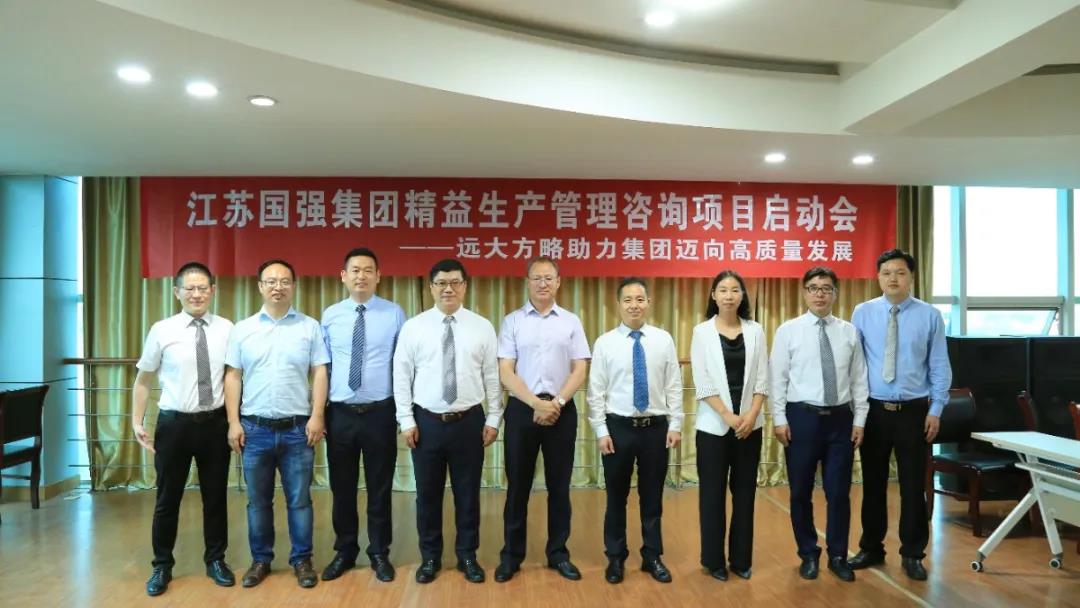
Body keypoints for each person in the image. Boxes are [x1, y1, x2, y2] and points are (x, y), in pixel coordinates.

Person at [393, 259, 503, 584]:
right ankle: (430, 557)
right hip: (426, 423)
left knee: (468, 494)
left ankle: (468, 555)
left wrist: (494, 416)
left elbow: (492, 376)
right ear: (431, 287)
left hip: (469, 421)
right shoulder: (414, 327)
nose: (448, 289)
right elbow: (401, 375)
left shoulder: (482, 326)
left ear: (465, 286)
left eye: (455, 282)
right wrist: (406, 420)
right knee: (427, 495)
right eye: (441, 283)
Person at [224, 259, 330, 589]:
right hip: (254, 429)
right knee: (258, 502)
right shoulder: (243, 329)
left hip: (298, 429)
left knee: (299, 500)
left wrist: (317, 415)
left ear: (294, 286)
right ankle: (261, 560)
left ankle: (302, 560)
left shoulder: (309, 327)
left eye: (285, 281)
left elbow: (320, 372)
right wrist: (233, 422)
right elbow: (233, 376)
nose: (278, 287)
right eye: (271, 281)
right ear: (260, 286)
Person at [848, 249, 951, 581]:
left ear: (911, 277)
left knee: (913, 486)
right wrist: (857, 413)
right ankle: (871, 547)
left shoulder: (930, 315)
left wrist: (936, 409)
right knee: (873, 484)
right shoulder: (862, 312)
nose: (893, 278)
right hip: (875, 411)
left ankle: (913, 553)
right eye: (886, 272)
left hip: (914, 412)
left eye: (900, 272)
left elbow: (939, 365)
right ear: (878, 277)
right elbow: (855, 365)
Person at [133, 262, 234, 596]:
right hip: (174, 425)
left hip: (215, 424)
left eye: (203, 288)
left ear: (212, 291)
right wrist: (137, 421)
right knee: (167, 498)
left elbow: (234, 378)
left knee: (215, 497)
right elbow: (143, 379)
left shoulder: (227, 328)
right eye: (189, 288)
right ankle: (162, 565)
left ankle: (216, 559)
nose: (196, 294)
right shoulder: (162, 330)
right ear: (177, 292)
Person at [494, 257, 590, 583]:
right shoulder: (512, 321)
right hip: (523, 409)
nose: (543, 284)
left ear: (559, 282)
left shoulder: (571, 322)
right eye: (537, 278)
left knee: (559, 487)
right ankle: (511, 556)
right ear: (528, 282)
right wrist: (535, 403)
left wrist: (557, 403)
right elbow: (505, 371)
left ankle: (558, 553)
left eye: (549, 278)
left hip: (562, 410)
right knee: (517, 487)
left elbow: (580, 368)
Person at [770, 266, 868, 582]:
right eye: (813, 288)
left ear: (835, 293)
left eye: (826, 288)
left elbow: (859, 379)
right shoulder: (788, 330)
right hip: (801, 419)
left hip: (840, 420)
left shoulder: (849, 332)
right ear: (805, 293)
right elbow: (777, 378)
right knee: (800, 491)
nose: (820, 294)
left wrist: (860, 419)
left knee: (838, 493)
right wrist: (779, 419)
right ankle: (808, 554)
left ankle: (838, 555)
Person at [587, 277, 683, 585]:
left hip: (656, 429)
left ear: (649, 303)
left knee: (652, 497)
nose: (634, 305)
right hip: (618, 429)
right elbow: (596, 391)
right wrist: (601, 430)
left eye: (640, 299)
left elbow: (673, 384)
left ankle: (652, 556)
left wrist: (676, 423)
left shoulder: (663, 340)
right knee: (616, 497)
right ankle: (615, 558)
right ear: (618, 305)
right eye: (627, 300)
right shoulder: (605, 343)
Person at [319, 247, 405, 583]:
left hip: (379, 413)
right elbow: (323, 367)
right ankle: (344, 551)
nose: (361, 276)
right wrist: (318, 412)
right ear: (343, 276)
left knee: (379, 488)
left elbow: (402, 365)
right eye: (355, 270)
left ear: (378, 276)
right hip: (340, 414)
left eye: (368, 270)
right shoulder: (330, 315)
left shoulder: (394, 313)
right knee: (342, 488)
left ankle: (379, 552)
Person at [689, 270, 768, 582]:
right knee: (712, 495)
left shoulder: (756, 331)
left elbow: (762, 377)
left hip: (750, 426)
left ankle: (741, 560)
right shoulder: (701, 332)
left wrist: (751, 414)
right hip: (714, 427)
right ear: (714, 295)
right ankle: (713, 560)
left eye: (735, 290)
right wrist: (728, 416)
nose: (729, 295)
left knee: (745, 495)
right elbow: (703, 381)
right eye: (723, 290)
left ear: (742, 295)